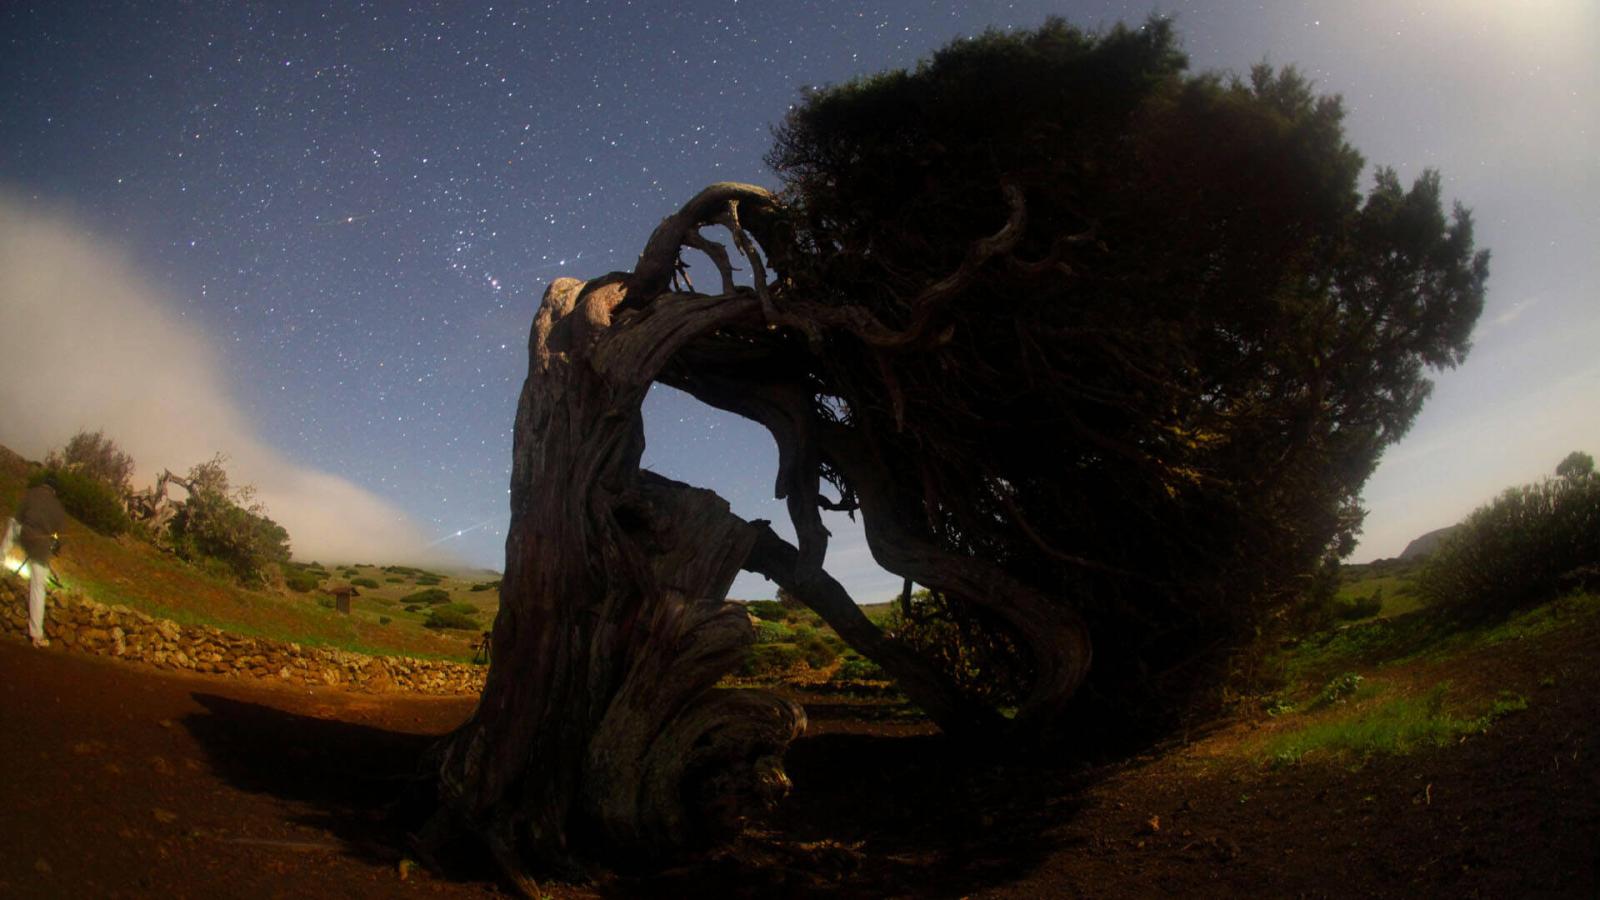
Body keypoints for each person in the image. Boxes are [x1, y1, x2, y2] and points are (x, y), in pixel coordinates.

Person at [2, 484, 67, 648]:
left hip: (23, 534)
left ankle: (1, 555)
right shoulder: (57, 507)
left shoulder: (31, 494)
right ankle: (36, 635)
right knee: (38, 588)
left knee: (12, 524)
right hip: (41, 547)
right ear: (54, 491)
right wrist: (54, 547)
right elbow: (59, 539)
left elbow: (18, 517)